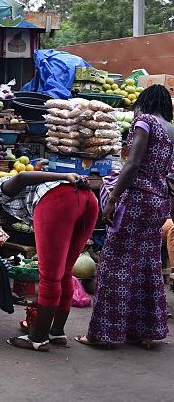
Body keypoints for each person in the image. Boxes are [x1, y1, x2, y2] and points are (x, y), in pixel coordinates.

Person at [78, 84, 174, 348]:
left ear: (143, 102)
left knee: (114, 264)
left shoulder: (144, 122)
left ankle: (102, 335)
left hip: (136, 201)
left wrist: (114, 199)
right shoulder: (171, 130)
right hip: (158, 203)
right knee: (147, 265)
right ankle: (145, 331)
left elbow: (132, 164)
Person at [0, 170, 98, 351]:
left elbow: (22, 177)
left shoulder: (0, 190)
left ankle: (37, 338)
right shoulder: (28, 199)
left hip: (59, 200)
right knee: (65, 273)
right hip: (88, 199)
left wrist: (64, 175)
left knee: (50, 277)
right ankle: (56, 332)